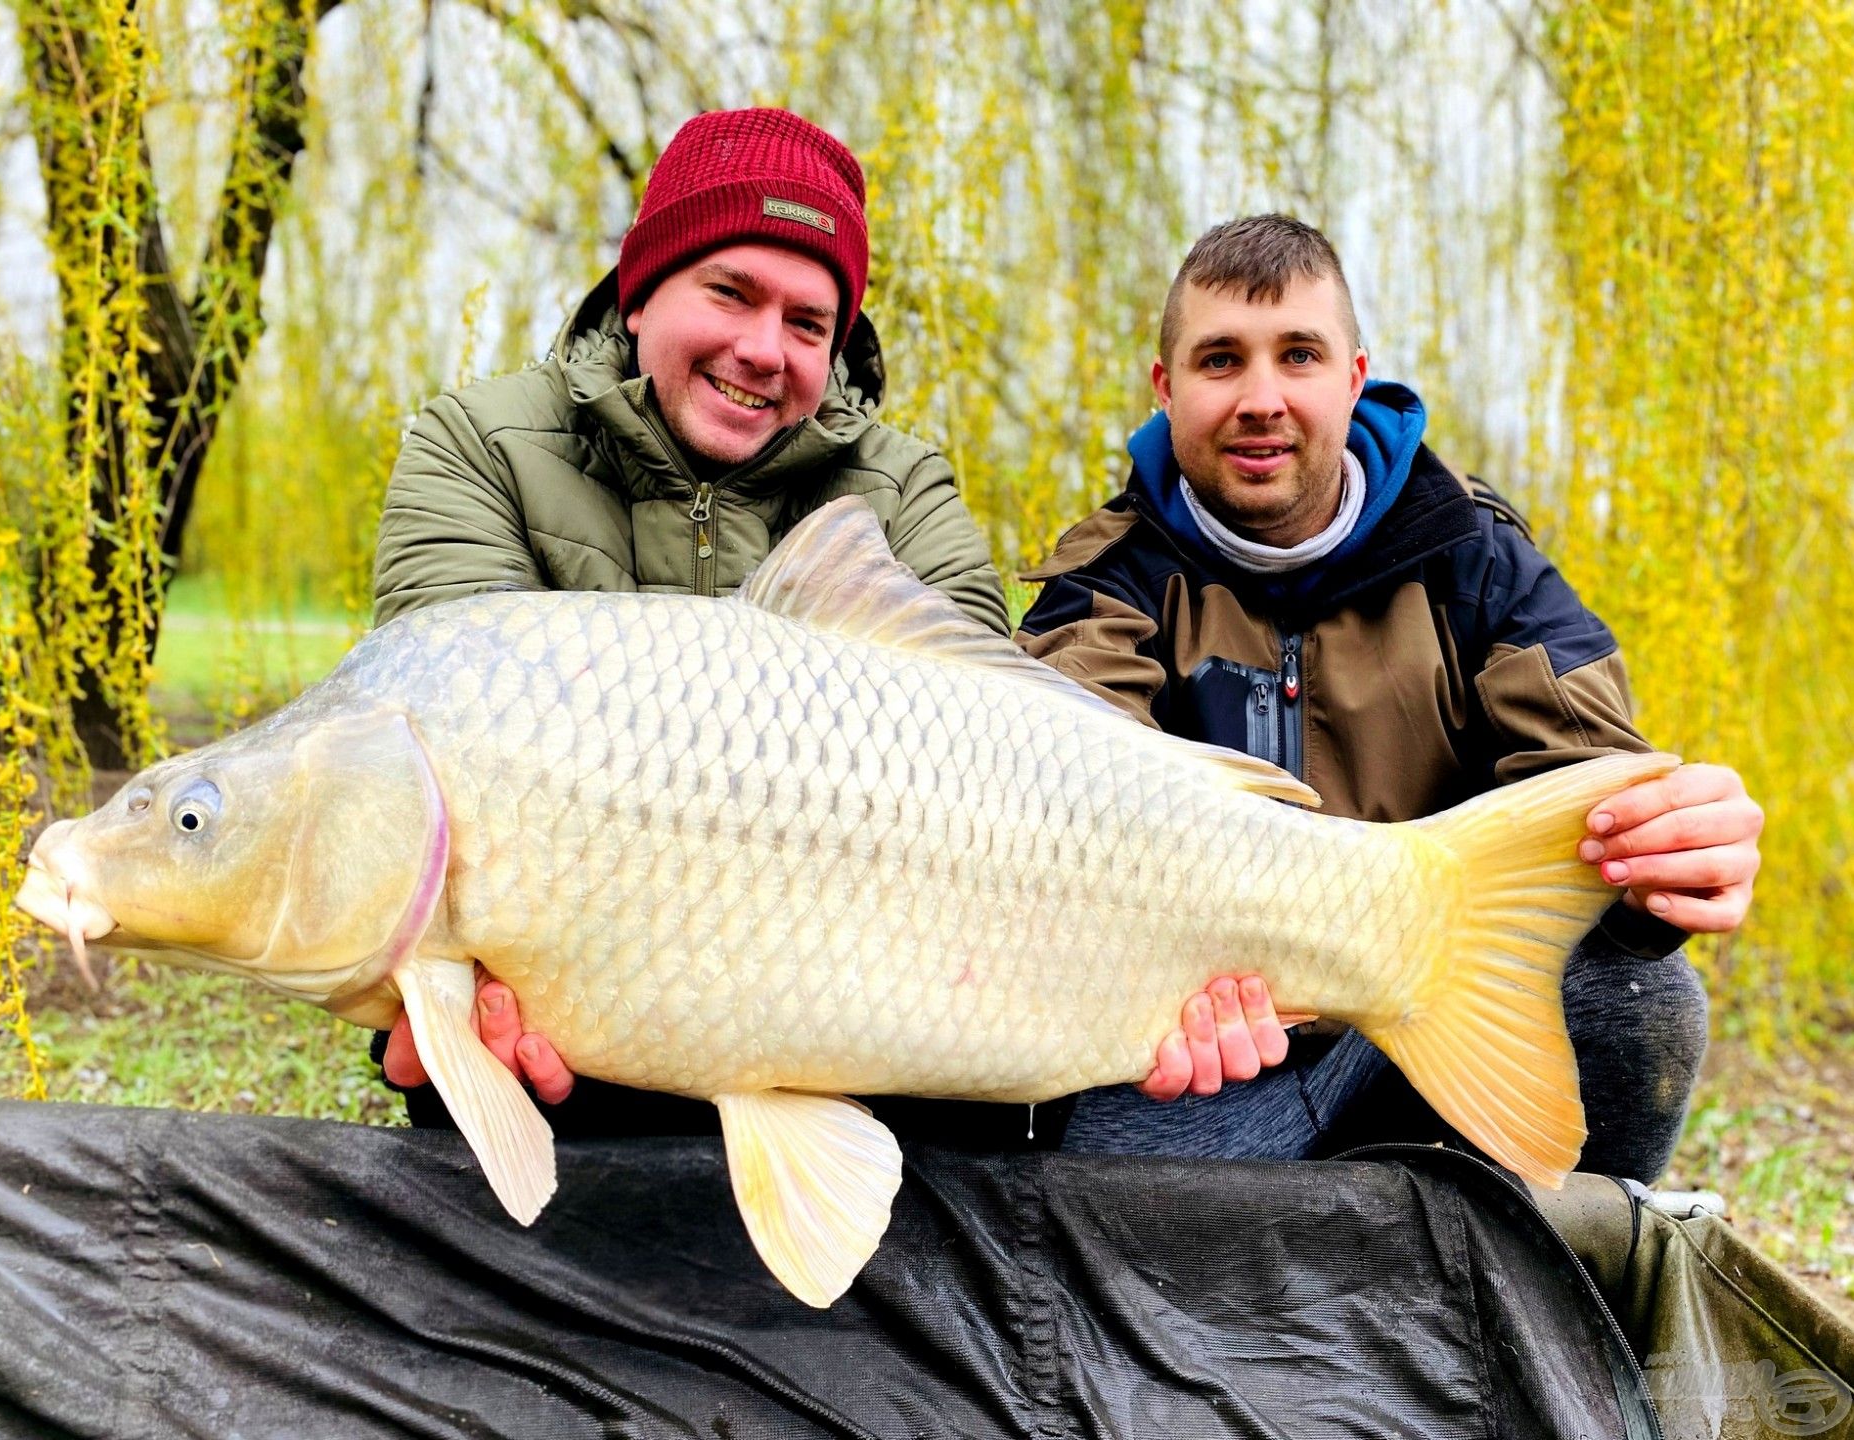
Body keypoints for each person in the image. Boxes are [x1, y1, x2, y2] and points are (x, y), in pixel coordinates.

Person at [369, 108, 1283, 1146]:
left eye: (808, 324)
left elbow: (1002, 765)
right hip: (568, 1033)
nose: (764, 351)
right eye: (730, 293)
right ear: (639, 291)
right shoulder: (479, 447)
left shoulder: (901, 492)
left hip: (876, 1027)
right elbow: (453, 739)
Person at [1014, 214, 1763, 1180]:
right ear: (1166, 390)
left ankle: (1558, 1292)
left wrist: (1673, 863)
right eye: (1220, 362)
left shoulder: (1476, 561)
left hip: (1431, 1022)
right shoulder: (1103, 585)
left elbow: (1593, 802)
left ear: (1355, 377)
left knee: (1637, 994)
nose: (1262, 399)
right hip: (1212, 1050)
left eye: (1298, 356)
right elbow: (1055, 816)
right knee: (1111, 1190)